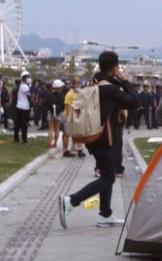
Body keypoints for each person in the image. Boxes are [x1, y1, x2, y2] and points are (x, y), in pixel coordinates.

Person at [58, 51, 140, 229]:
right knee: (109, 177)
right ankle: (72, 200)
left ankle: (105, 214)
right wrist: (125, 81)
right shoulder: (109, 89)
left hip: (94, 137)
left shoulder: (93, 83)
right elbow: (135, 102)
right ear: (115, 68)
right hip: (105, 139)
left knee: (105, 174)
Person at [62, 78, 86, 158]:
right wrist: (70, 119)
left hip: (77, 117)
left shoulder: (79, 93)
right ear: (72, 85)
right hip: (68, 117)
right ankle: (65, 151)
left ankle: (78, 150)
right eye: (76, 84)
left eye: (79, 83)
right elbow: (68, 108)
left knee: (77, 134)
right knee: (67, 134)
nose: (78, 85)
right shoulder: (69, 95)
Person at [44, 79, 65, 150]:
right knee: (57, 129)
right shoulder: (62, 96)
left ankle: (50, 143)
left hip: (50, 112)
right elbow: (63, 106)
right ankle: (55, 143)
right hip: (59, 113)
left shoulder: (48, 95)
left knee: (50, 129)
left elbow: (46, 104)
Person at [14, 71, 31, 144]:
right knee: (24, 125)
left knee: (17, 124)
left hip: (18, 106)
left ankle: (16, 138)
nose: (28, 78)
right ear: (25, 78)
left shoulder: (19, 85)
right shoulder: (25, 86)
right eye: (27, 77)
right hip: (24, 108)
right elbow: (29, 96)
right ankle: (25, 140)